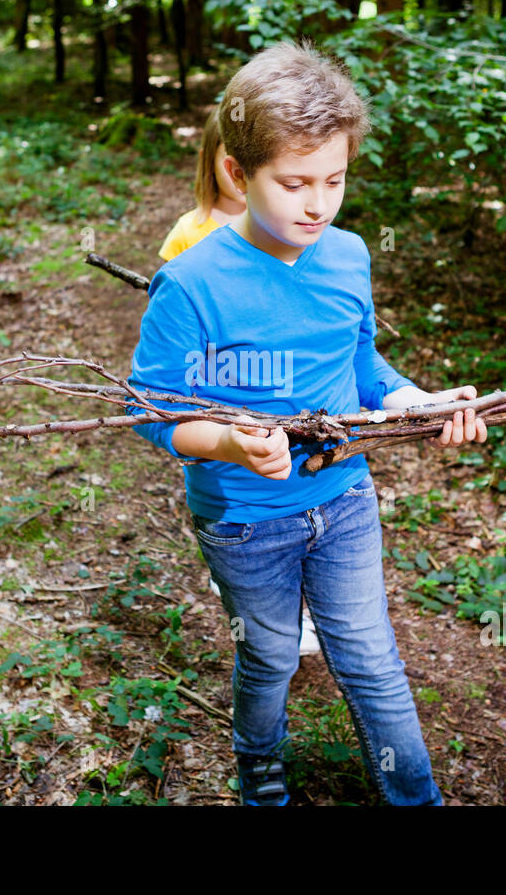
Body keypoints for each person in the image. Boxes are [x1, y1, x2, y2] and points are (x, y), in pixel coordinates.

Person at [124, 39, 488, 806]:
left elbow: (366, 371)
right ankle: (260, 774)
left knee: (370, 658)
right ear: (236, 172)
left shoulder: (347, 255)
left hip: (345, 498)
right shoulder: (190, 284)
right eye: (293, 183)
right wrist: (227, 442)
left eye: (335, 180)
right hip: (245, 521)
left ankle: (416, 799)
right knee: (272, 657)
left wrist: (422, 405)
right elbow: (151, 411)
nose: (317, 204)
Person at [160, 107, 323, 658]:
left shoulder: (298, 232)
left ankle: (287, 605)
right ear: (227, 167)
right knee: (237, 484)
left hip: (289, 412)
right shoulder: (193, 233)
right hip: (217, 390)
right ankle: (241, 573)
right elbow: (175, 314)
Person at [158, 108, 246, 261]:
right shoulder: (185, 233)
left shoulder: (277, 227)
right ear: (209, 160)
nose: (243, 173)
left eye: (254, 160)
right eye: (232, 163)